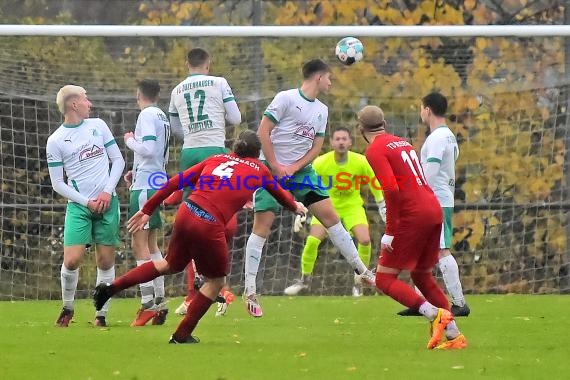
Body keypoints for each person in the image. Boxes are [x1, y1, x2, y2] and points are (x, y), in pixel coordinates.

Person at [93, 131, 307, 343]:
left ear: (234, 148)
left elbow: (175, 182)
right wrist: (295, 206)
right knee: (216, 281)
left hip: (187, 212)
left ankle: (111, 287)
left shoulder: (216, 159)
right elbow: (279, 193)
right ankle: (181, 335)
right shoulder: (259, 169)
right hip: (209, 222)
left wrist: (148, 208)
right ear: (257, 153)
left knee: (168, 264)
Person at [243, 59, 375, 317]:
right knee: (262, 227)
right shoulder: (286, 98)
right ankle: (250, 291)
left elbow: (316, 147)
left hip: (302, 172)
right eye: (329, 78)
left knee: (331, 217)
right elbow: (263, 131)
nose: (330, 82)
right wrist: (276, 165)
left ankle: (363, 271)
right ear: (319, 77)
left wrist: (294, 167)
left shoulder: (322, 110)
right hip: (271, 171)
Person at [359, 105, 467, 350]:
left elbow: (391, 189)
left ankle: (433, 314)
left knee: (385, 279)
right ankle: (454, 335)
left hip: (413, 215)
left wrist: (390, 230)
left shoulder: (375, 149)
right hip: (433, 209)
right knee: (421, 274)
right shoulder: (402, 142)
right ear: (384, 123)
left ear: (361, 129)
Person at [167, 47, 242, 316]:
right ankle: (218, 286)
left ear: (187, 64)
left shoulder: (176, 90)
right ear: (209, 63)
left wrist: (192, 131)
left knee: (193, 222)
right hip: (214, 151)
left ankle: (193, 295)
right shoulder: (219, 82)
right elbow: (236, 118)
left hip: (189, 152)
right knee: (222, 222)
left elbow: (176, 129)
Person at [47, 85, 125, 327]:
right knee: (71, 260)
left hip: (107, 203)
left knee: (105, 261)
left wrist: (107, 191)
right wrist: (86, 201)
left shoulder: (98, 126)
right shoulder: (56, 140)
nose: (89, 104)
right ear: (74, 105)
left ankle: (100, 315)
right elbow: (58, 183)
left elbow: (118, 159)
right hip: (80, 207)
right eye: (85, 99)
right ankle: (67, 308)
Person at [284, 127, 386, 297]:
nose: (341, 142)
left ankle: (359, 282)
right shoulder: (321, 162)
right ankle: (304, 280)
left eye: (344, 139)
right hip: (327, 205)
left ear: (350, 142)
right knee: (313, 241)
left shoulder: (360, 161)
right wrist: (300, 209)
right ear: (331, 142)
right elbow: (306, 185)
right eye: (337, 139)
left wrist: (382, 205)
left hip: (352, 206)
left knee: (365, 240)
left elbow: (374, 183)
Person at [397, 92, 470, 317]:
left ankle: (459, 303)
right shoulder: (448, 136)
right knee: (422, 252)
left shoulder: (438, 138)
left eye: (421, 108)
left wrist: (416, 195)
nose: (421, 113)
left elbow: (430, 172)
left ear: (427, 109)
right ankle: (421, 304)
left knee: (441, 250)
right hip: (438, 198)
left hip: (436, 201)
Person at [123, 79, 171, 326]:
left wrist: (129, 141)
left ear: (138, 94)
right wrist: (135, 169)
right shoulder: (162, 115)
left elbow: (149, 148)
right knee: (152, 243)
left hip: (145, 186)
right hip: (155, 180)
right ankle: (161, 302)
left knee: (138, 242)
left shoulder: (146, 115)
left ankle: (147, 304)